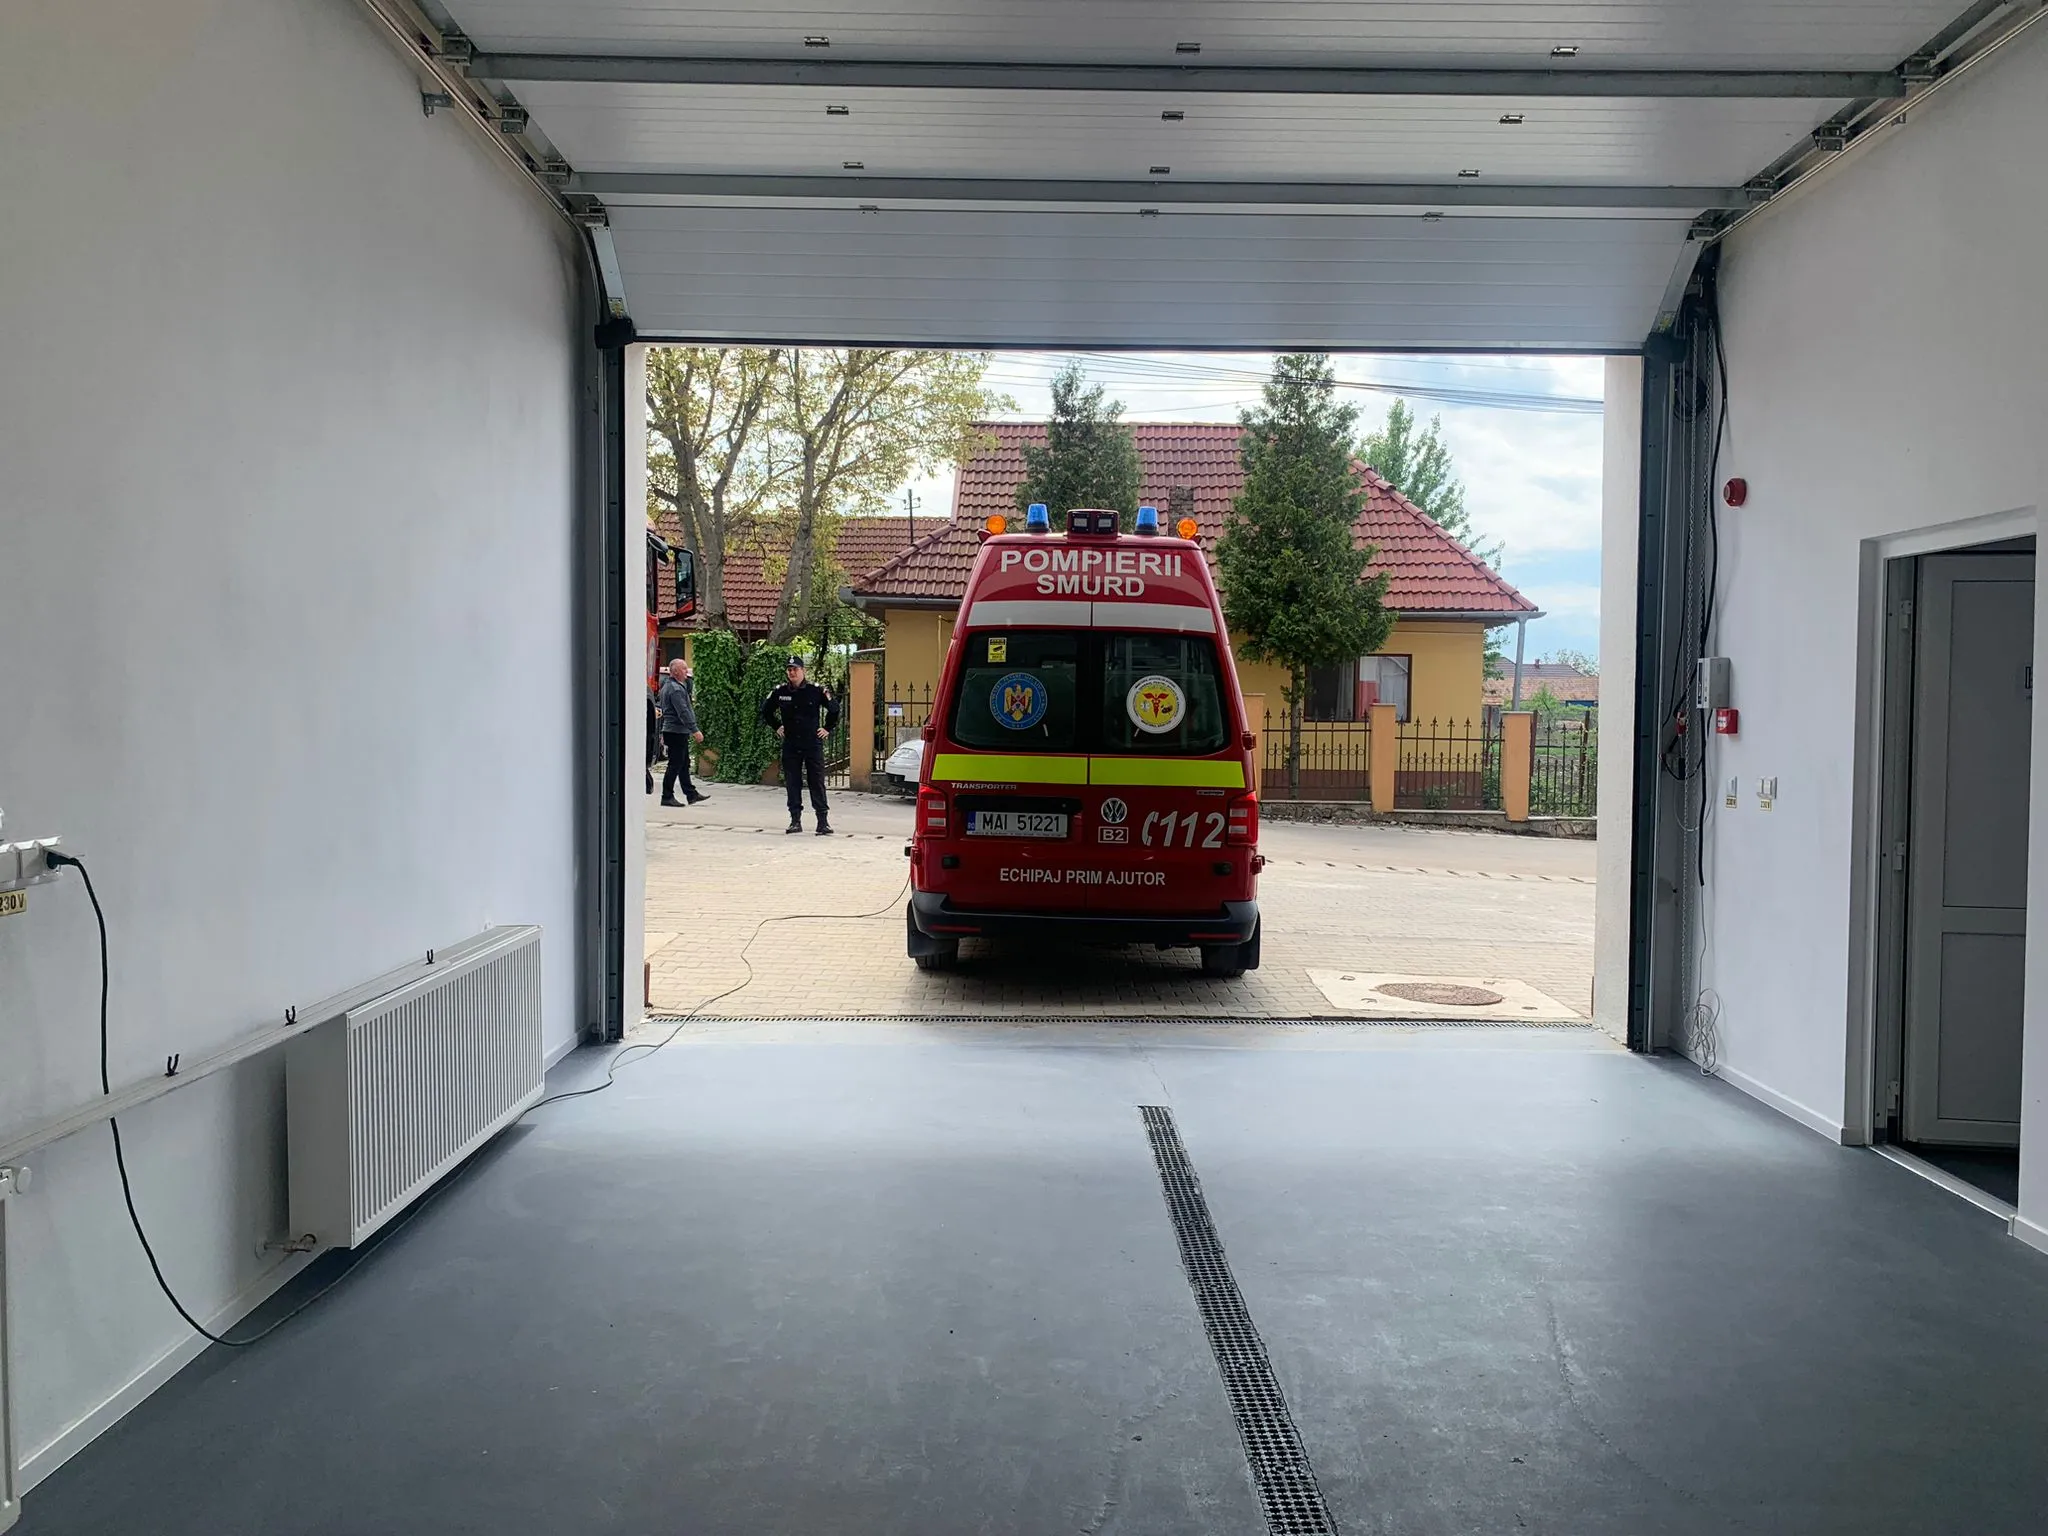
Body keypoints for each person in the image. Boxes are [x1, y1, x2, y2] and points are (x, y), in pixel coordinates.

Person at [759, 657, 838, 835]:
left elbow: (834, 708)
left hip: (812, 743)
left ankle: (822, 822)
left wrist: (827, 728)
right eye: (789, 669)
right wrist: (776, 726)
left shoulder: (815, 690)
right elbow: (765, 710)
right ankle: (795, 821)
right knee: (792, 782)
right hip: (791, 743)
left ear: (803, 671)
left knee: (816, 782)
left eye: (795, 669)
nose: (792, 672)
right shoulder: (780, 692)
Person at [657, 658, 707, 807]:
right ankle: (667, 796)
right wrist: (694, 730)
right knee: (675, 764)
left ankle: (691, 794)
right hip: (676, 732)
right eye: (684, 669)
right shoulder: (675, 689)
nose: (687, 671)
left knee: (684, 763)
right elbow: (683, 712)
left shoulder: (670, 686)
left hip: (674, 731)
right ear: (676, 671)